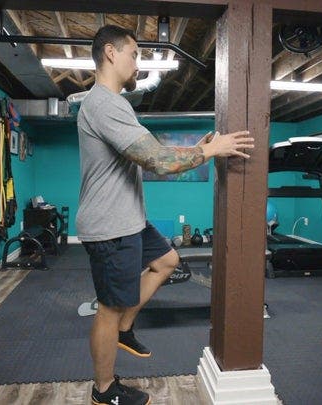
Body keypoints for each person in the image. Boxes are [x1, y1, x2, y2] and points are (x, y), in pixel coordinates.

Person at [76, 24, 255, 405]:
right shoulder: (104, 104)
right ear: (110, 52)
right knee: (108, 308)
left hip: (128, 221)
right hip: (109, 226)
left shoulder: (114, 103)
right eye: (134, 54)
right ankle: (103, 391)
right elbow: (157, 160)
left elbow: (150, 152)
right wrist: (210, 151)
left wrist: (195, 149)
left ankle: (125, 328)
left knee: (167, 261)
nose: (137, 63)